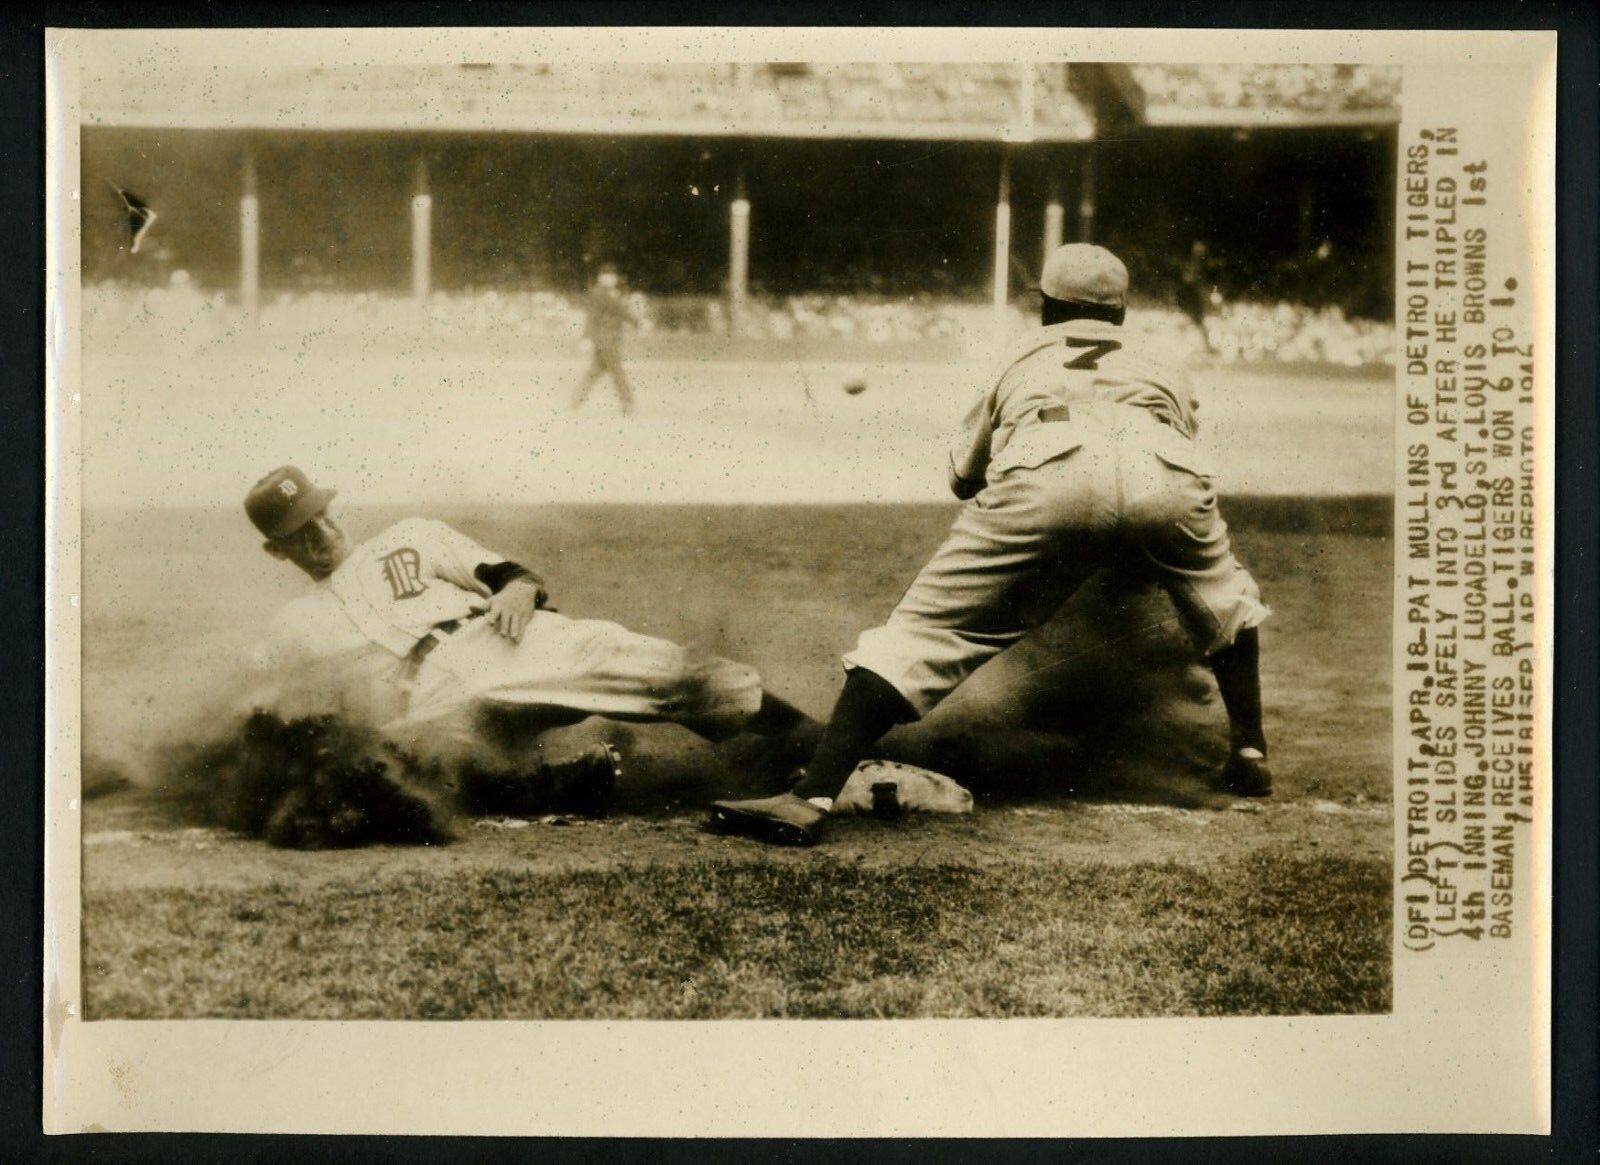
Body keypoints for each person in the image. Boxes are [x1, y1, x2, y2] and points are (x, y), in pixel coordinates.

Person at [709, 243, 1273, 847]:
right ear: (1121, 311)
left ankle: (812, 794)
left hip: (1047, 470)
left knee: (921, 633)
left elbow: (964, 477)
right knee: (1224, 597)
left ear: (1047, 307)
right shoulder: (1162, 359)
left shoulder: (1020, 357)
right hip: (1164, 469)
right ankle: (1249, 750)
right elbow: (1173, 445)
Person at [243, 465, 817, 787]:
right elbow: (265, 712)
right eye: (301, 530)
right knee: (401, 772)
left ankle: (829, 747)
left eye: (321, 515)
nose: (321, 533)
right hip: (429, 705)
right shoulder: (291, 625)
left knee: (663, 671)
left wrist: (519, 590)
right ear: (277, 550)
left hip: (495, 642)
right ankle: (560, 781)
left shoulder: (407, 536)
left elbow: (506, 573)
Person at [571, 264, 639, 415]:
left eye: (613, 276)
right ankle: (627, 403)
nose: (612, 279)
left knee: (595, 371)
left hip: (608, 340)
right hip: (606, 340)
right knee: (617, 371)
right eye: (608, 276)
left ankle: (576, 400)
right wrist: (636, 321)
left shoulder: (610, 293)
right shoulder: (600, 293)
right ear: (601, 278)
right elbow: (594, 316)